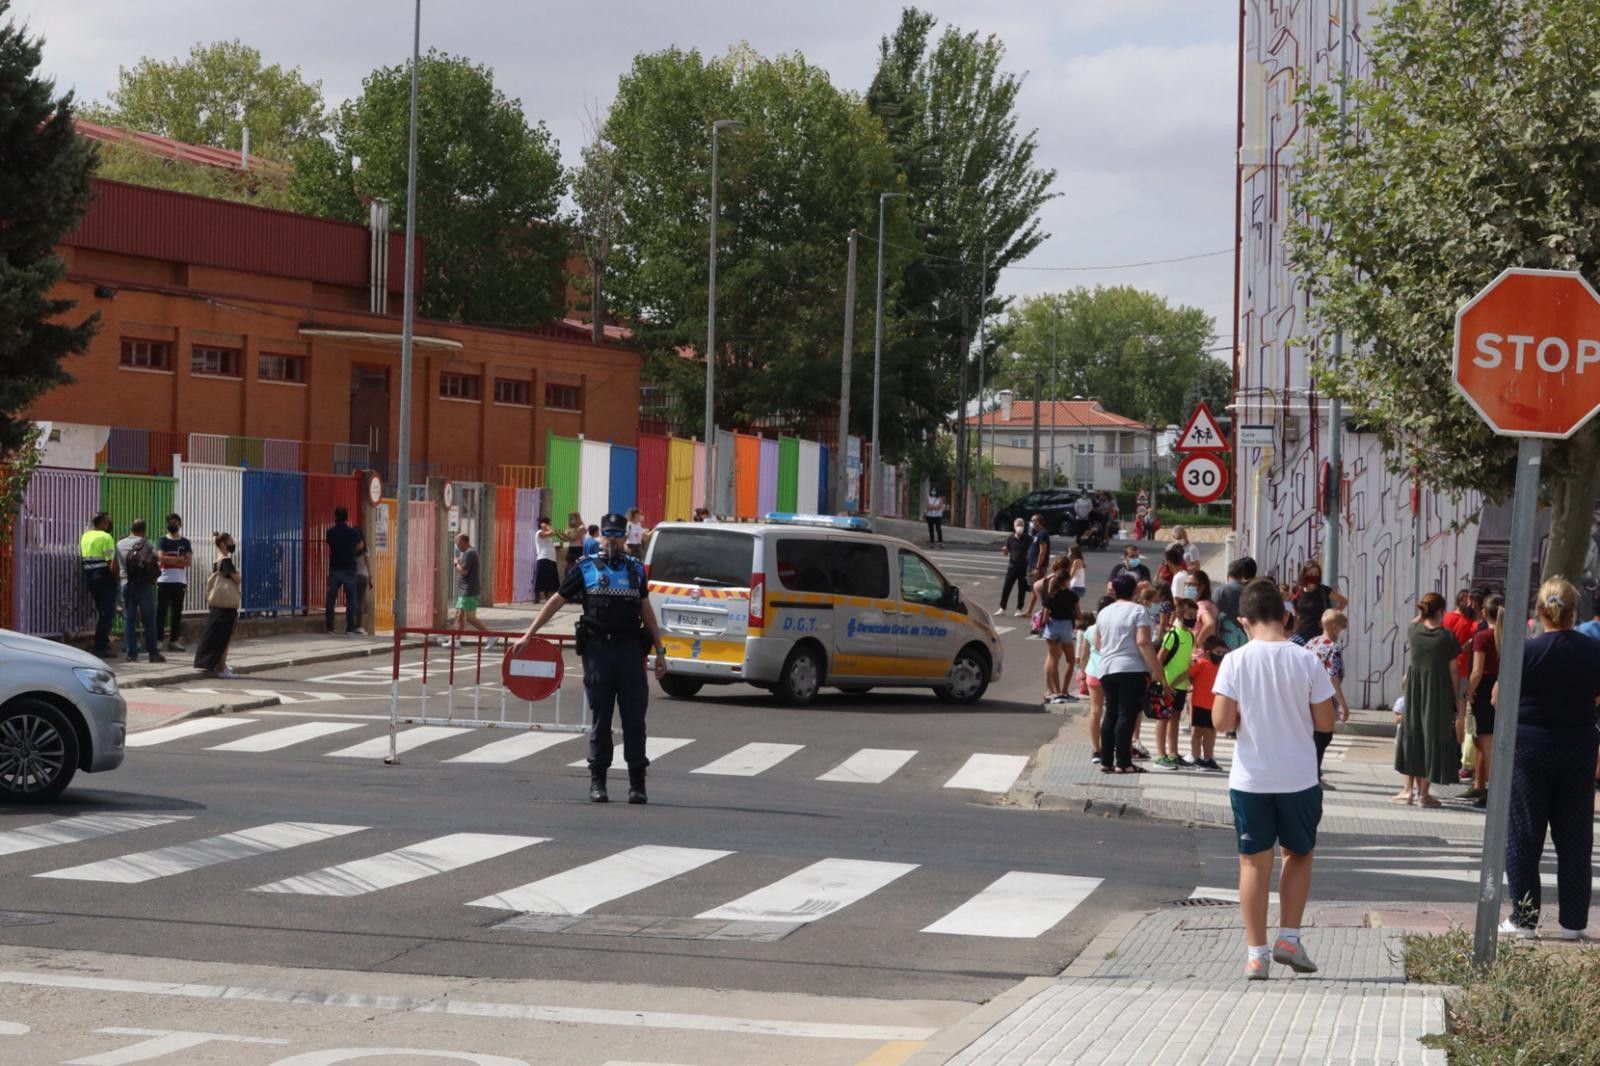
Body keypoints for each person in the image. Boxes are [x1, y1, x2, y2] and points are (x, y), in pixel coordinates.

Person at [1211, 578, 1337, 980]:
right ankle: (1290, 938)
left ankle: (1256, 955)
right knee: (1298, 854)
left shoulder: (1235, 661)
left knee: (1253, 863)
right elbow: (1325, 722)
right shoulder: (1307, 660)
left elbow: (1221, 722)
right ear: (1286, 616)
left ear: (1243, 621)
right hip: (1299, 777)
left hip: (1251, 779)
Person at [511, 513, 668, 805]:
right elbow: (556, 600)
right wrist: (529, 634)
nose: (612, 540)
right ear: (601, 537)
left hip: (630, 651)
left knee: (635, 720)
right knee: (601, 718)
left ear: (625, 537)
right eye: (607, 534)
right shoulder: (586, 568)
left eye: (617, 535)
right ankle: (598, 781)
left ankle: (637, 783)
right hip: (599, 652)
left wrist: (660, 650)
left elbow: (646, 609)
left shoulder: (635, 569)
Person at [1501, 578, 1600, 940]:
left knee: (1524, 835)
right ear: (1574, 611)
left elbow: (1499, 698)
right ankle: (1573, 923)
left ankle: (1524, 919)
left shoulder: (1525, 651)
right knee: (1575, 838)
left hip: (1529, 749)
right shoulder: (1593, 650)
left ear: (1540, 611)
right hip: (1578, 746)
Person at [1392, 592, 1464, 807]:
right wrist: (1456, 697)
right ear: (1441, 611)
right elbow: (1454, 670)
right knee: (1432, 736)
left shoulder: (1414, 631)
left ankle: (1407, 791)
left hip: (1415, 692)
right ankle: (1424, 794)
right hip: (1438, 692)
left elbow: (1416, 620)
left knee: (1412, 735)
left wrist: (1423, 613)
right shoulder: (1447, 637)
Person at [1094, 573, 1170, 774]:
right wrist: (1157, 668)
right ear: (1135, 591)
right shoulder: (1138, 611)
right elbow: (1143, 641)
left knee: (1110, 713)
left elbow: (1098, 642)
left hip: (1106, 667)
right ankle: (1123, 762)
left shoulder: (1104, 612)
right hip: (1131, 667)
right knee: (1126, 714)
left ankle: (1106, 760)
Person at [1305, 609, 1353, 783]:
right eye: (1342, 627)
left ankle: (1310, 771)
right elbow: (1333, 678)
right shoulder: (1333, 648)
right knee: (1323, 736)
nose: (1342, 631)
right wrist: (1343, 706)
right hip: (1324, 699)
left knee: (1311, 736)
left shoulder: (1312, 642)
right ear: (1334, 627)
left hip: (1306, 696)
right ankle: (1313, 773)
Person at [1463, 596, 1502, 808]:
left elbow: (1477, 671)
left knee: (1487, 744)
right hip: (1503, 686)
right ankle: (1489, 788)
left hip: (1485, 689)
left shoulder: (1483, 636)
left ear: (1485, 613)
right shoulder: (1508, 635)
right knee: (1493, 743)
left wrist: (1468, 693)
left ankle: (1493, 792)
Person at [1154, 597, 1199, 769]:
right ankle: (1161, 755)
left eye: (1194, 615)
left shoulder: (1190, 635)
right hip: (1168, 684)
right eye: (1190, 615)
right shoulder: (1172, 634)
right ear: (1180, 615)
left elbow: (1185, 660)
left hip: (1181, 685)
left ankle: (1173, 753)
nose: (1193, 619)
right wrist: (1164, 682)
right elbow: (1159, 660)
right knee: (1163, 719)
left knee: (1175, 719)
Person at [116, 518, 165, 663]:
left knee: (129, 619)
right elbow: (156, 559)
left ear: (131, 528)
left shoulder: (119, 544)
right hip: (143, 585)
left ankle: (131, 654)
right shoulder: (146, 543)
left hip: (126, 584)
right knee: (149, 619)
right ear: (144, 530)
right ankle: (153, 654)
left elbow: (114, 566)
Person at [192, 532, 241, 678]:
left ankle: (217, 664)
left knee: (216, 635)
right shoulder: (226, 561)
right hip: (226, 606)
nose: (233, 544)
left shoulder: (218, 560)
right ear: (223, 544)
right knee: (224, 638)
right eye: (231, 541)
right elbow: (237, 579)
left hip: (218, 604)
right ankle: (222, 668)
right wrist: (238, 575)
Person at [1036, 556, 1080, 705]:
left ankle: (1055, 691)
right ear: (1067, 581)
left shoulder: (1050, 596)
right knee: (1070, 661)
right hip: (1066, 627)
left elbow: (1044, 618)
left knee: (1053, 659)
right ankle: (1065, 691)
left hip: (1052, 627)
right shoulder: (1073, 596)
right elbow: (1078, 615)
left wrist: (1045, 625)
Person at [80, 511, 120, 659]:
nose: (110, 524)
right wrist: (117, 578)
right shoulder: (106, 537)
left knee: (103, 612)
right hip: (104, 578)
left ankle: (102, 643)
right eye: (108, 522)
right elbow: (110, 562)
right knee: (108, 613)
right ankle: (100, 646)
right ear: (103, 523)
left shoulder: (85, 536)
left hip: (90, 577)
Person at [1081, 595, 1115, 763]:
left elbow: (1083, 656)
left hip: (1093, 673)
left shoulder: (1090, 630)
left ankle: (1096, 749)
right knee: (1112, 711)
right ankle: (1111, 746)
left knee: (1095, 711)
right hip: (1111, 672)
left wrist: (1082, 674)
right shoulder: (1114, 629)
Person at [325, 506, 367, 636]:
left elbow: (330, 544)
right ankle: (350, 628)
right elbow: (361, 545)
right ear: (346, 517)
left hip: (335, 568)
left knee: (331, 599)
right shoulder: (353, 533)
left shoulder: (330, 532)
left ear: (335, 517)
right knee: (351, 599)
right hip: (349, 569)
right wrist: (351, 552)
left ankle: (330, 628)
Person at [1188, 635, 1227, 772]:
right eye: (1218, 652)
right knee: (1197, 732)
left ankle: (1208, 758)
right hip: (1199, 704)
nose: (1220, 655)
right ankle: (1195, 757)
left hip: (1214, 706)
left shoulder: (1223, 667)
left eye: (1223, 653)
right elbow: (1189, 675)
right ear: (1208, 652)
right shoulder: (1201, 664)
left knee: (1210, 733)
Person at [155, 512, 193, 653]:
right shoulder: (162, 540)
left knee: (177, 612)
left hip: (179, 581)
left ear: (180, 524)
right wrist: (179, 559)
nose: (173, 525)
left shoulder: (185, 542)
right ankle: (158, 640)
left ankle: (174, 641)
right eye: (171, 522)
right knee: (161, 612)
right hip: (164, 580)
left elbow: (188, 562)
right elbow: (161, 558)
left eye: (175, 522)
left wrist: (169, 559)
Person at [446, 533, 492, 645]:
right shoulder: (469, 553)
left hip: (468, 591)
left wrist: (456, 564)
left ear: (464, 542)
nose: (457, 546)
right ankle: (455, 640)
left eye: (458, 543)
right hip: (466, 590)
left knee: (468, 617)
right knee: (460, 616)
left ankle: (491, 636)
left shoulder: (470, 553)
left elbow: (464, 572)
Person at [1441, 588, 1483, 705]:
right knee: (1461, 704)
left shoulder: (1446, 617)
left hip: (1446, 666)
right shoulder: (1471, 622)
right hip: (1463, 667)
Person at [1290, 561, 1347, 645]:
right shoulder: (1297, 590)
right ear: (1304, 574)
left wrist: (1330, 617)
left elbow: (1344, 601)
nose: (1314, 576)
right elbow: (1296, 610)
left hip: (1319, 635)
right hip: (1302, 634)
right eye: (1311, 573)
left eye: (1316, 573)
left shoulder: (1324, 591)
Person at [1215, 556, 1256, 651]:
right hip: (1246, 636)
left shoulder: (1219, 591)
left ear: (1228, 575)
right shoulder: (1252, 592)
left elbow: (1214, 616)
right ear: (1242, 576)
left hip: (1225, 638)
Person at [1022, 515, 1052, 620]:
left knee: (1039, 589)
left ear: (1038, 522)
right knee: (1034, 589)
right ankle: (1030, 610)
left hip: (1037, 566)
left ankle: (1046, 610)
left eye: (1033, 521)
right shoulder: (1037, 533)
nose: (1031, 523)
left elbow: (1042, 551)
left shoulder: (1043, 533)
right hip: (1032, 565)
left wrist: (1038, 567)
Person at [999, 518, 1031, 615]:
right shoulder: (1010, 538)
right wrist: (1004, 551)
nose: (1019, 527)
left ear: (1024, 527)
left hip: (1023, 567)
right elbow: (1007, 552)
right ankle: (1002, 608)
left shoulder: (1028, 539)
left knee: (1022, 588)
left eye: (1021, 525)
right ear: (1014, 526)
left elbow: (1033, 550)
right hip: (1012, 567)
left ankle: (1019, 609)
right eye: (1018, 525)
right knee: (1007, 587)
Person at [534, 516, 561, 603]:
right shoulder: (539, 532)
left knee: (552, 580)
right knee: (542, 579)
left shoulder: (548, 536)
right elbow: (552, 532)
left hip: (552, 559)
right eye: (549, 524)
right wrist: (547, 527)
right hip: (543, 558)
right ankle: (542, 598)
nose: (550, 525)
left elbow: (553, 534)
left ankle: (549, 599)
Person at [563, 512, 587, 578]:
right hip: (571, 548)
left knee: (577, 566)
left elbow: (575, 538)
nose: (571, 520)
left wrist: (566, 535)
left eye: (572, 518)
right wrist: (560, 535)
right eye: (570, 519)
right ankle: (567, 580)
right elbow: (565, 539)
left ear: (577, 518)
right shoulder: (570, 528)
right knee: (567, 567)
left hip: (579, 549)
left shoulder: (582, 527)